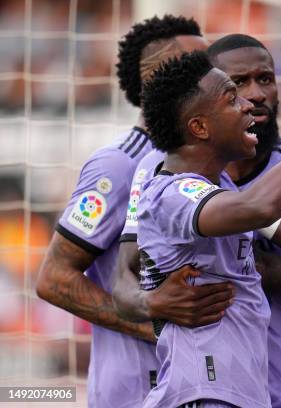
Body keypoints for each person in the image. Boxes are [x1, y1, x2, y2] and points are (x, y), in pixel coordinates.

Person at [112, 34, 281, 408]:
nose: (252, 98)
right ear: (199, 124)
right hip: (208, 391)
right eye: (235, 89)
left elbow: (254, 268)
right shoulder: (168, 183)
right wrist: (153, 303)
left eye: (265, 79)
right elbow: (126, 277)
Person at [35, 15, 230, 408]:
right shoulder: (119, 166)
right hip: (134, 391)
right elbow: (53, 279)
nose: (213, 75)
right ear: (160, 79)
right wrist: (155, 325)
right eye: (197, 66)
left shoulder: (208, 164)